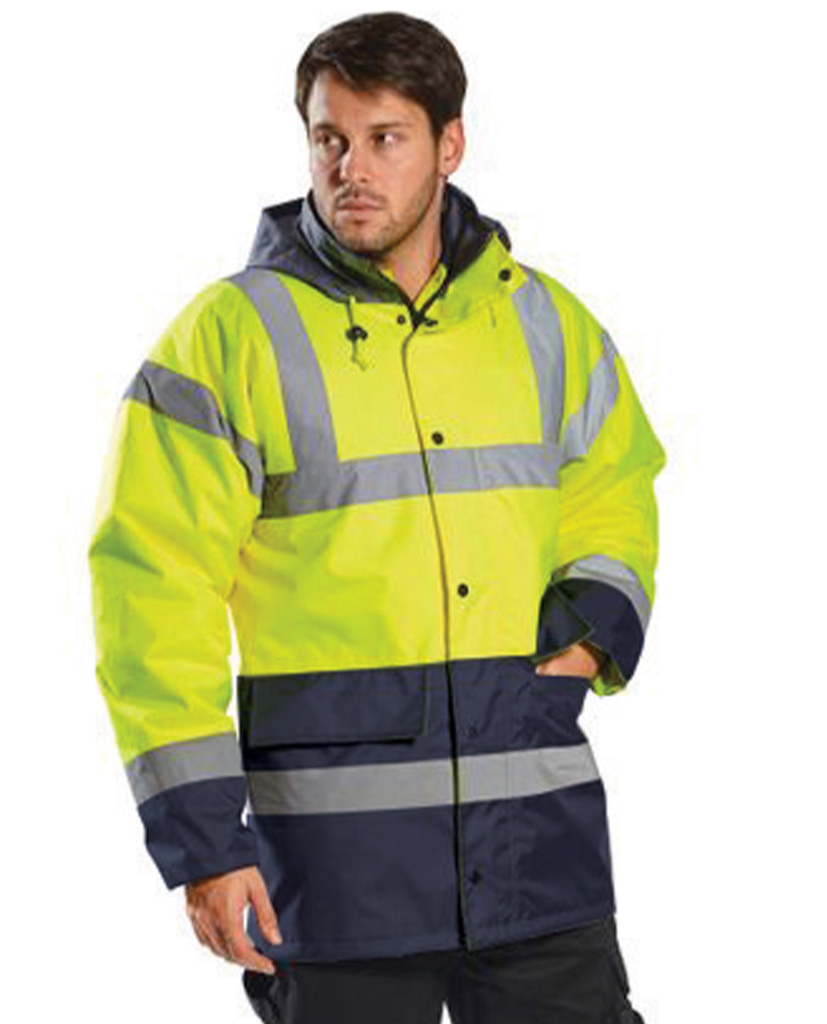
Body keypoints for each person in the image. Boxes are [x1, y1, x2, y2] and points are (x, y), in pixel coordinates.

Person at [87, 11, 665, 1024]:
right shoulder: (230, 338)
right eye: (329, 138)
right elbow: (153, 585)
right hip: (335, 875)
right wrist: (205, 844)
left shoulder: (544, 323)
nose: (350, 168)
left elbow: (614, 483)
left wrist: (592, 628)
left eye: (384, 138)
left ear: (450, 143)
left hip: (535, 850)